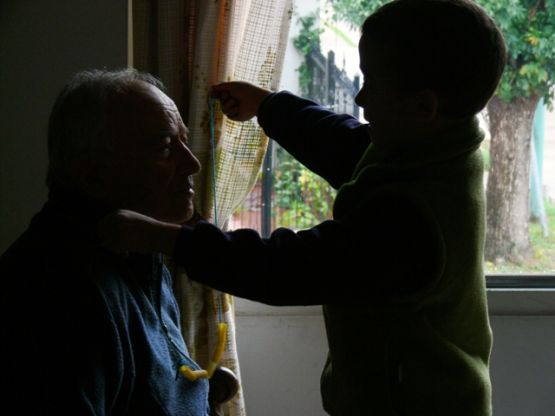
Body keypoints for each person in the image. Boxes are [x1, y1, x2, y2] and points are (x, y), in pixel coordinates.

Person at [98, 0, 507, 414]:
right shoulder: (433, 149)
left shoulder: (411, 221)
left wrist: (169, 240)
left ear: (424, 107)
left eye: (372, 83)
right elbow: (344, 142)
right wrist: (268, 105)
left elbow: (290, 268)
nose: (360, 96)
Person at [0, 68, 238, 415]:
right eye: (165, 148)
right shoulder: (58, 295)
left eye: (184, 142)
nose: (192, 164)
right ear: (92, 171)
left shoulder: (138, 251)